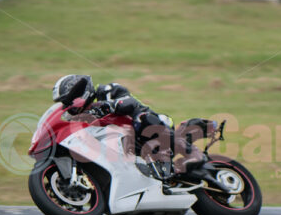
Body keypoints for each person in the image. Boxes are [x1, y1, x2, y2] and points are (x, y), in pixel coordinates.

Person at [52, 74, 207, 177]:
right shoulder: (82, 116)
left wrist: (109, 105)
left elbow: (130, 103)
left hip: (149, 125)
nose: (70, 105)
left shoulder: (107, 90)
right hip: (127, 144)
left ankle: (193, 154)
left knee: (143, 118)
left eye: (69, 100)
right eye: (66, 103)